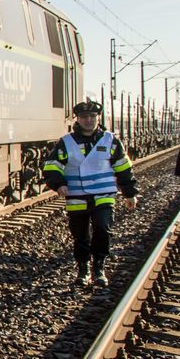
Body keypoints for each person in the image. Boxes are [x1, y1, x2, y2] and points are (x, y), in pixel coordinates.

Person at [43, 100, 138, 287]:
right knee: (80, 235)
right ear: (77, 119)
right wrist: (58, 183)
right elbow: (51, 166)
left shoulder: (110, 140)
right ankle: (83, 268)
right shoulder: (66, 142)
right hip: (77, 197)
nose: (88, 120)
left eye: (92, 117)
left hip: (104, 195)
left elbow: (124, 167)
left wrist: (130, 193)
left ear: (98, 118)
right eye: (84, 117)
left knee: (103, 229)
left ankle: (99, 268)